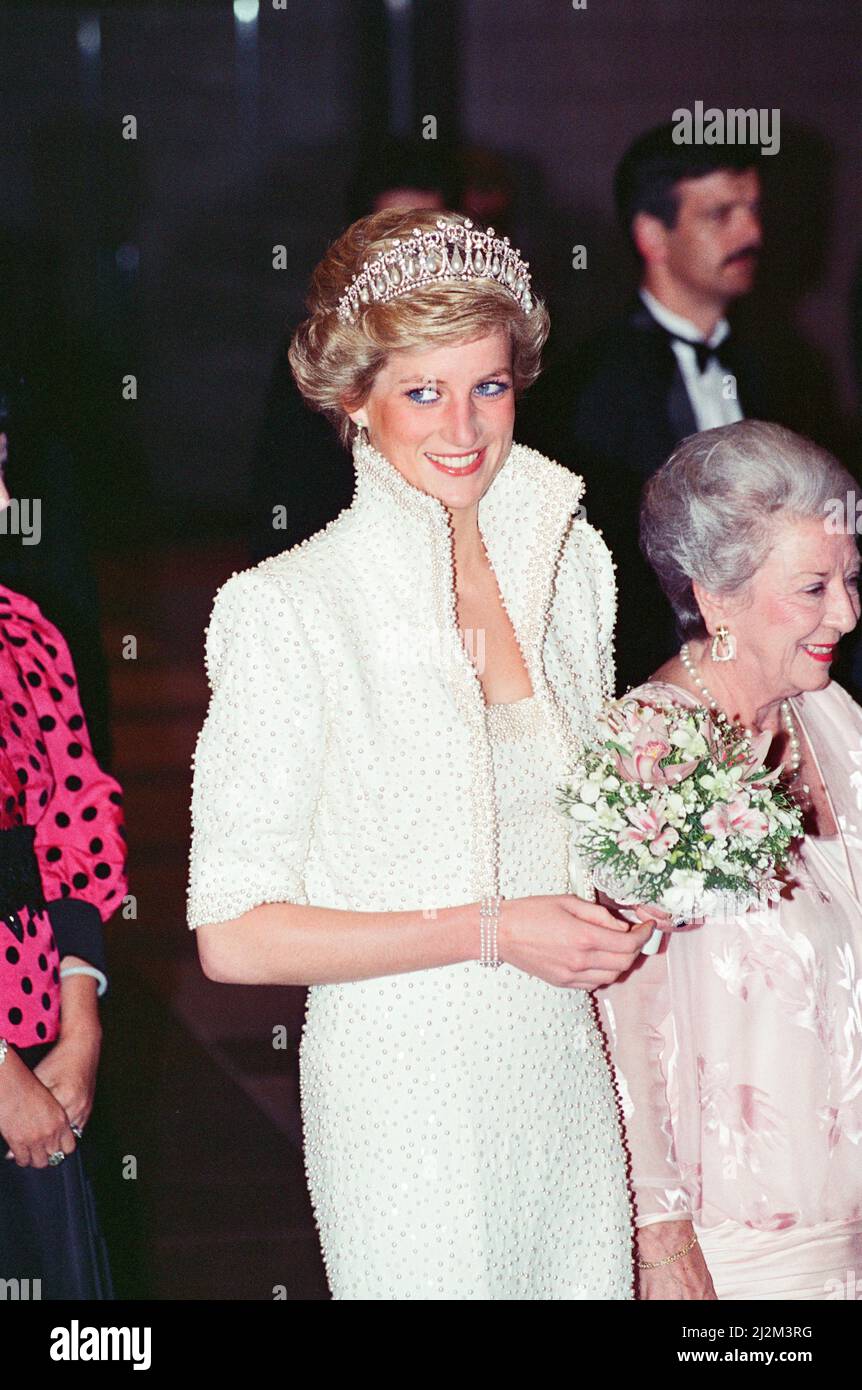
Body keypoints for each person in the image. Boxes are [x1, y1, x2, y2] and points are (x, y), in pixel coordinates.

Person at [187, 207, 668, 1301]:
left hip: (561, 1076)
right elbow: (234, 937)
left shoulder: (572, 561)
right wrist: (495, 929)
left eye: (488, 386)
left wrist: (638, 883)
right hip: (400, 1092)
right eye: (422, 391)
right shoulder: (287, 609)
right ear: (354, 399)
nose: (462, 426)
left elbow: (579, 825)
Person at [599, 420, 862, 1300]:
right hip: (738, 1252)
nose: (847, 614)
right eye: (814, 587)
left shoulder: (833, 720)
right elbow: (614, 1016)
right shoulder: (648, 755)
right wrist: (658, 1231)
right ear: (716, 594)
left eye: (852, 580)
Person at [519, 124, 771, 692]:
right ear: (652, 236)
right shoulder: (585, 385)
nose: (751, 231)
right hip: (645, 686)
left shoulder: (782, 369)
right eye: (721, 214)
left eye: (753, 209)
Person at [0, 582, 127, 1298]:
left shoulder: (22, 628)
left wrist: (80, 1028)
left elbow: (74, 823)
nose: (7, 499)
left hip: (39, 1065)